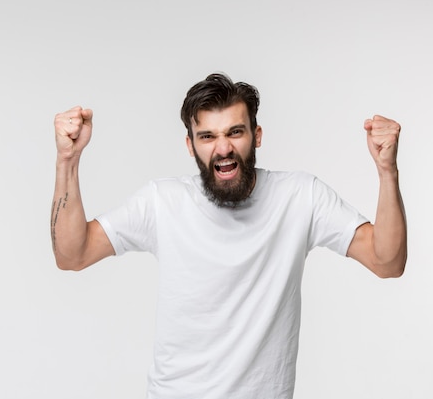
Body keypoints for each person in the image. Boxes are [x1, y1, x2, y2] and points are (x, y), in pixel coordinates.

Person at [51, 73, 407, 399]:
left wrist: (387, 171)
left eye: (235, 132)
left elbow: (387, 261)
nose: (223, 148)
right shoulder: (162, 202)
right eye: (207, 136)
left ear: (257, 135)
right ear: (190, 145)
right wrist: (68, 159)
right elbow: (73, 254)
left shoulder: (300, 197)